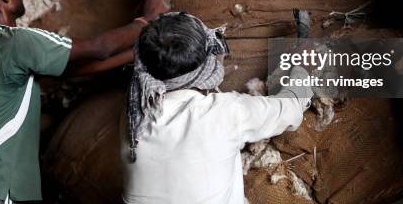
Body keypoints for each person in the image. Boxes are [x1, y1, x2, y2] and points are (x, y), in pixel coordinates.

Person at [0, 0, 171, 204]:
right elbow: (99, 48)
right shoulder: (17, 42)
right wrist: (147, 19)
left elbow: (71, 70)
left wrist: (137, 51)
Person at [121, 12, 313, 204]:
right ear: (205, 69)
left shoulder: (133, 113)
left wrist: (206, 75)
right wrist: (301, 67)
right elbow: (291, 108)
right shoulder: (225, 112)